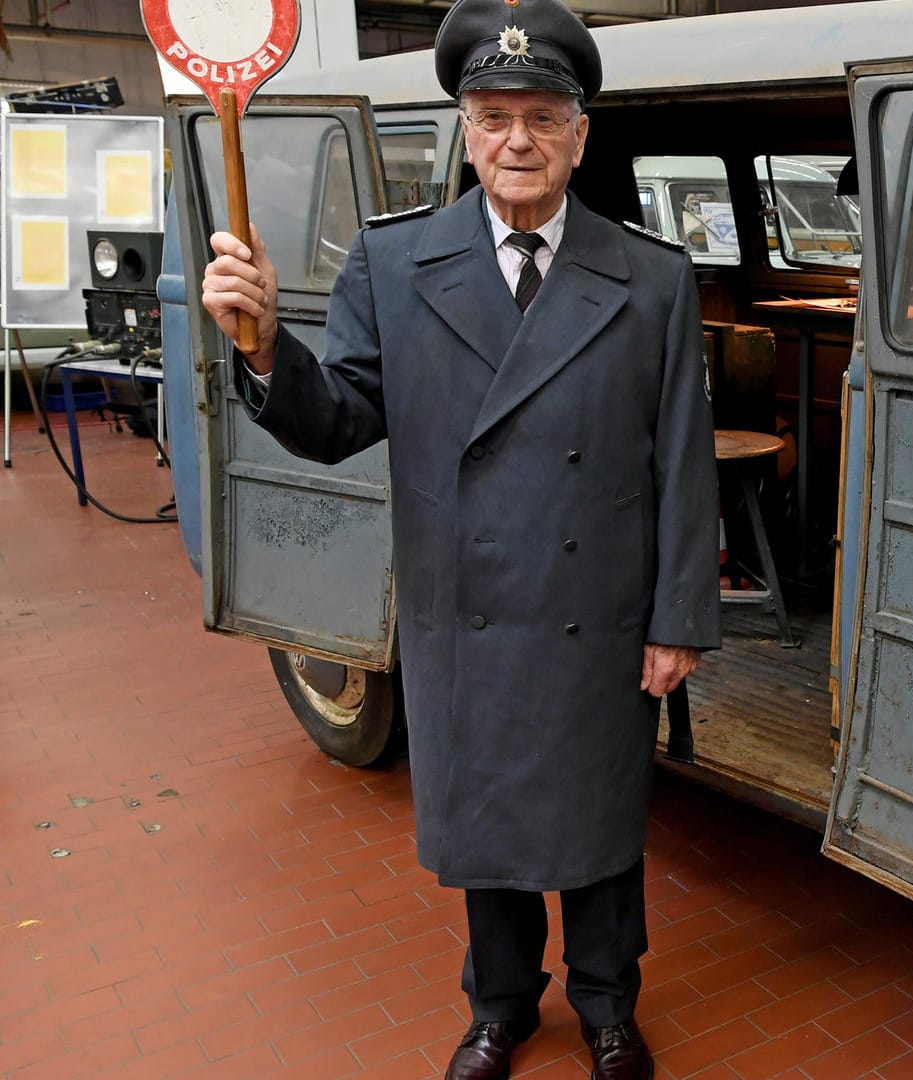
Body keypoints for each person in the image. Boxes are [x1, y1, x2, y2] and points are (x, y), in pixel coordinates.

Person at [198, 1, 718, 1077]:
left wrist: (679, 620)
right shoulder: (394, 266)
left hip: (600, 612)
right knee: (489, 825)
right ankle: (500, 1008)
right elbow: (338, 421)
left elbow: (682, 459)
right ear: (465, 131)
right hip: (464, 610)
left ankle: (609, 1007)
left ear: (581, 134)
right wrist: (262, 347)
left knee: (600, 829)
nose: (516, 140)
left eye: (541, 116)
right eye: (492, 117)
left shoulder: (654, 279)